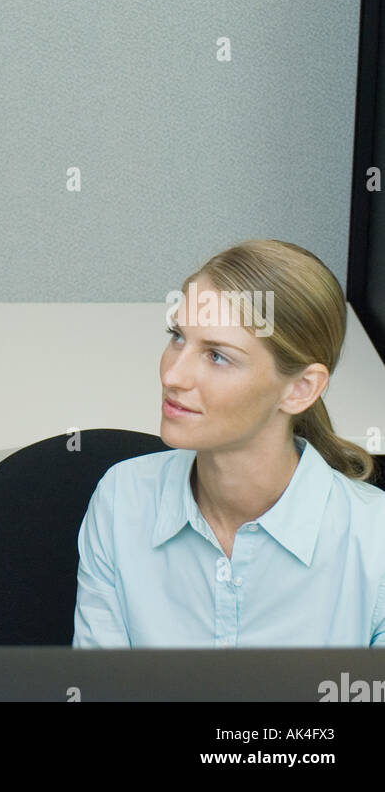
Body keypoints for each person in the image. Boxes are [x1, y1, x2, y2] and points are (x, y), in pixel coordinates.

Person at [72, 240, 385, 648]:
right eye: (178, 336)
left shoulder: (374, 543)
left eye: (218, 356)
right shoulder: (121, 501)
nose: (173, 375)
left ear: (300, 389)